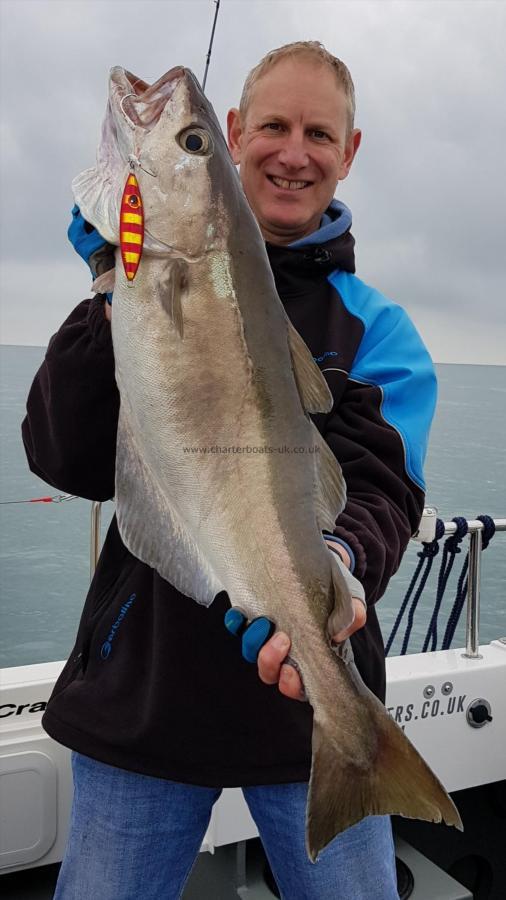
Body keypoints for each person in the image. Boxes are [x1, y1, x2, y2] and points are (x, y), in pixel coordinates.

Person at [22, 42, 436, 899]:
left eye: (319, 133)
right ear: (240, 134)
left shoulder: (374, 327)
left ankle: (362, 748)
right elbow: (65, 455)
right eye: (272, 127)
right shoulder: (140, 285)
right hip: (143, 699)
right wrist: (111, 286)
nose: (294, 151)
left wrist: (338, 571)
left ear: (348, 152)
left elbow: (383, 488)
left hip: (306, 702)